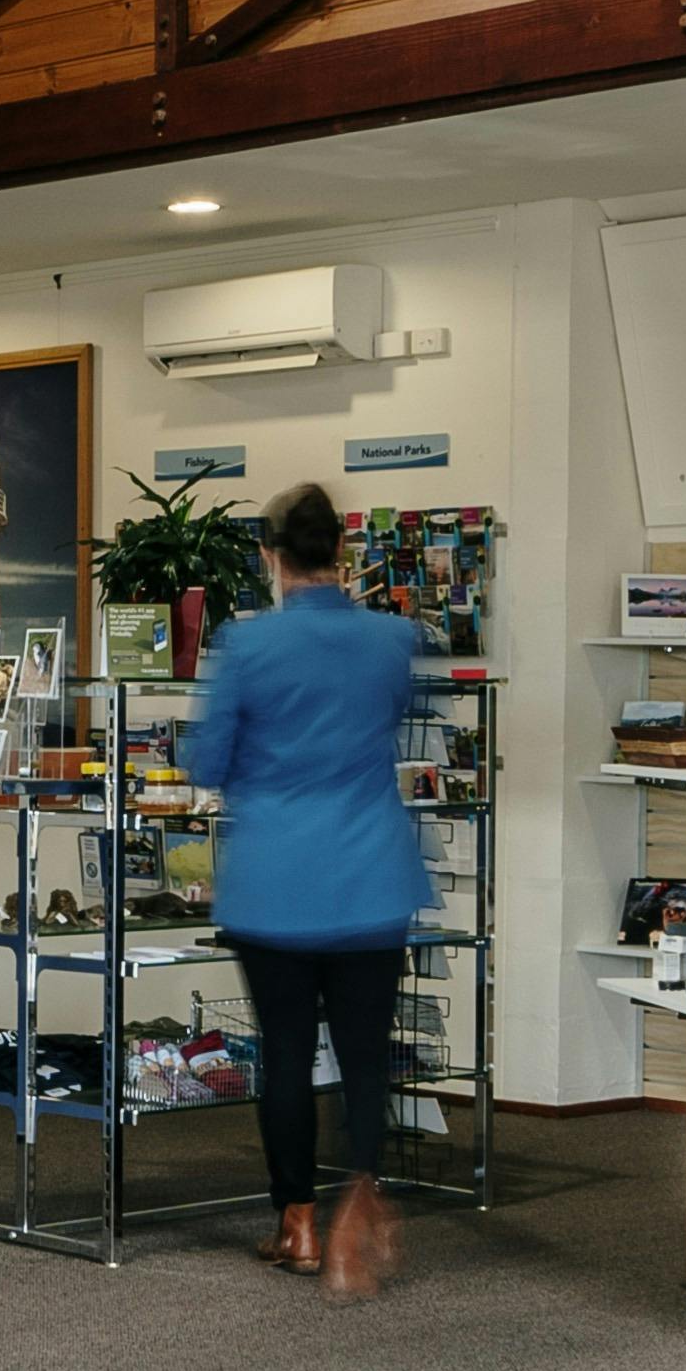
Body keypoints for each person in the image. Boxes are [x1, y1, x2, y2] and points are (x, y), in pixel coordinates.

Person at [177, 481, 431, 1294]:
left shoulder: (248, 644)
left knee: (285, 1054)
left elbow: (207, 762)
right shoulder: (393, 639)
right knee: (365, 1056)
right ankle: (360, 1202)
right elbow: (389, 723)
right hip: (371, 876)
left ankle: (298, 1224)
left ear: (271, 556)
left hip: (276, 879)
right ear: (341, 552)